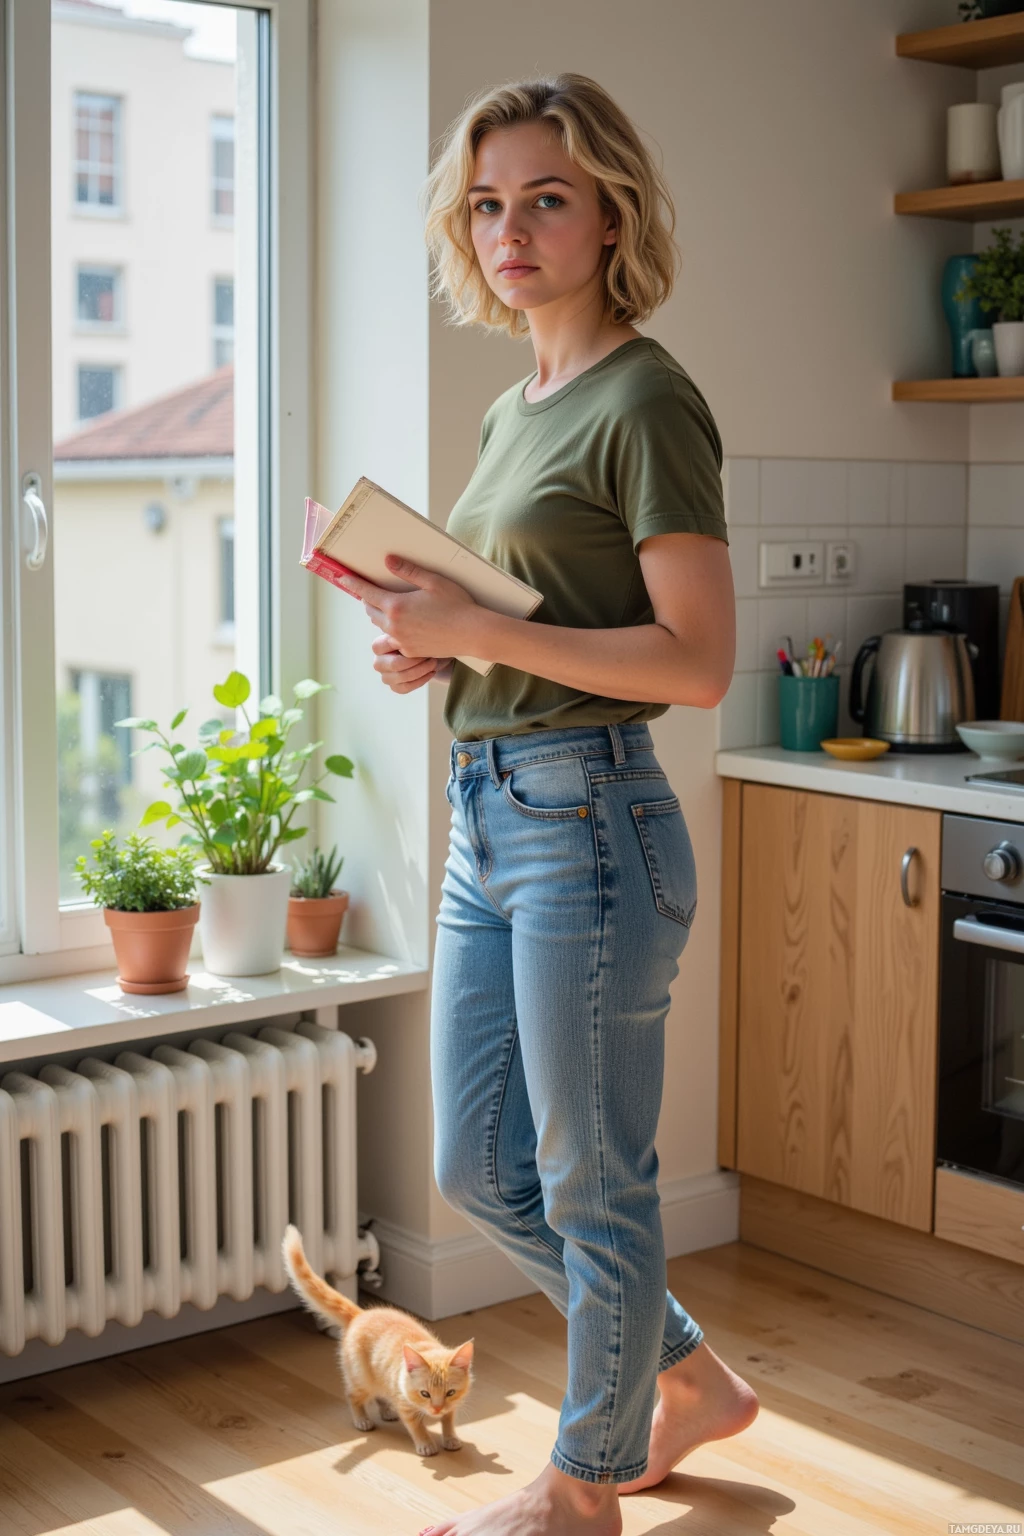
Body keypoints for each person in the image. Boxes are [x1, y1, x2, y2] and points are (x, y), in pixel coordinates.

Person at [333, 71, 757, 1536]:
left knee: (591, 1180)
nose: (509, 230)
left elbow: (696, 661)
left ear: (611, 216)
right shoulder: (517, 408)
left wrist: (476, 631)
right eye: (487, 204)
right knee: (478, 1165)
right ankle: (687, 1380)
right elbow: (532, 624)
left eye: (547, 199)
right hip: (490, 811)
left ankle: (582, 1488)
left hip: (591, 824)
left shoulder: (649, 397)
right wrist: (437, 645)